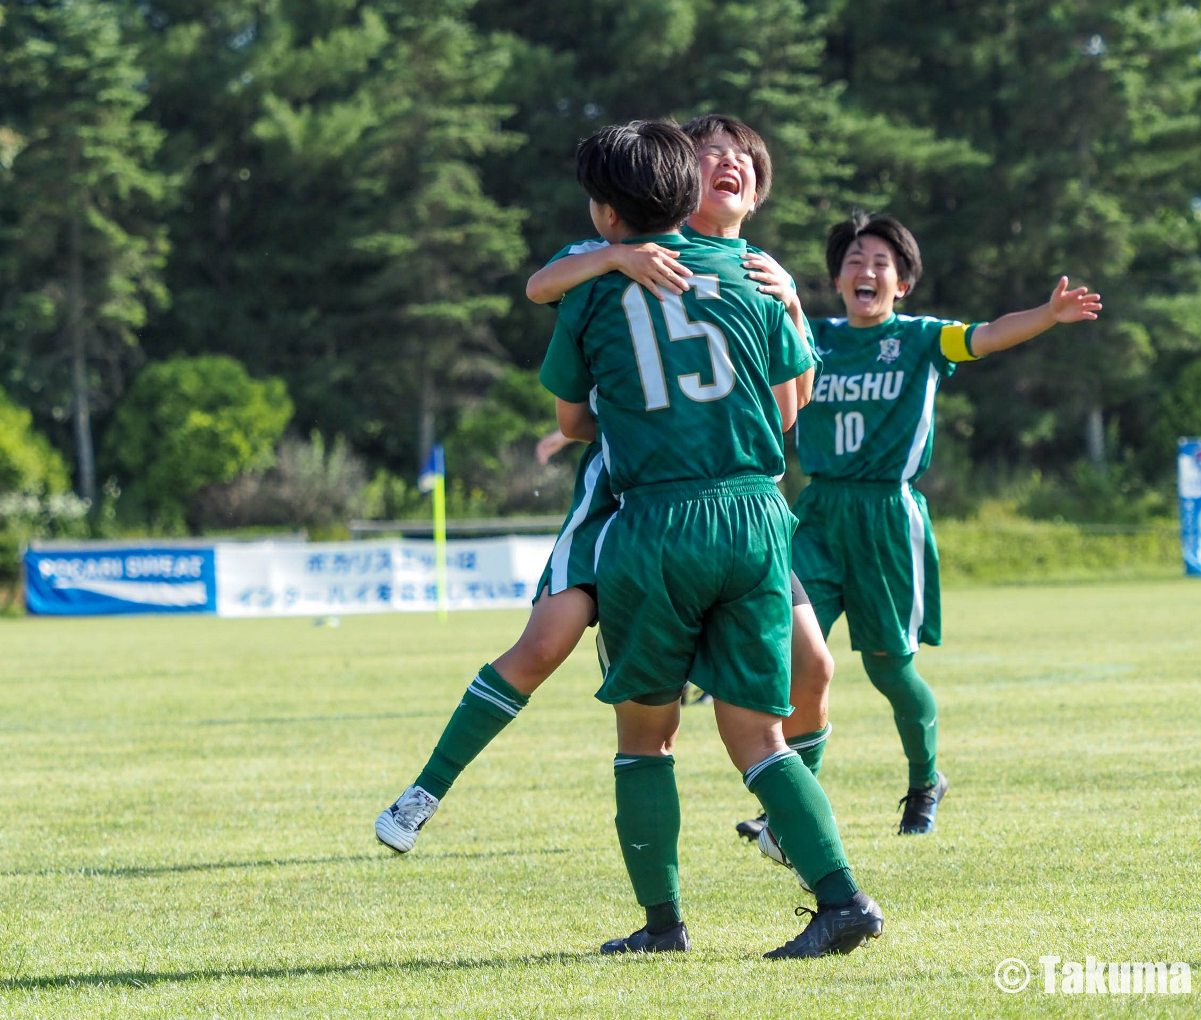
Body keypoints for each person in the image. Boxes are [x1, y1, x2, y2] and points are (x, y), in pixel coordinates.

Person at [376, 115, 835, 858]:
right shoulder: (611, 256)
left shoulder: (756, 273)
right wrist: (617, 257)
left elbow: (786, 409)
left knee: (814, 665)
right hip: (623, 499)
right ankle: (423, 791)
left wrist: (792, 304)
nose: (727, 163)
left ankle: (785, 828)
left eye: (742, 157)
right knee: (546, 645)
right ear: (677, 181)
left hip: (732, 504)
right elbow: (542, 290)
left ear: (757, 191)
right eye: (709, 153)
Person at [541, 117, 881, 958]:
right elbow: (790, 408)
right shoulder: (756, 278)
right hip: (757, 516)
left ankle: (663, 926)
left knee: (644, 734)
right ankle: (841, 901)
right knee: (759, 735)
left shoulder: (593, 285)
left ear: (607, 212)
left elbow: (573, 422)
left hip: (659, 519)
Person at [792, 212, 1101, 835]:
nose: (866, 271)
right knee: (797, 656)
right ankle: (792, 805)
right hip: (817, 513)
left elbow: (988, 335)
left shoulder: (922, 339)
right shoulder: (810, 338)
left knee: (887, 667)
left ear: (902, 283)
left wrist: (1046, 315)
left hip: (885, 516)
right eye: (854, 261)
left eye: (881, 263)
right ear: (837, 279)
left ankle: (924, 780)